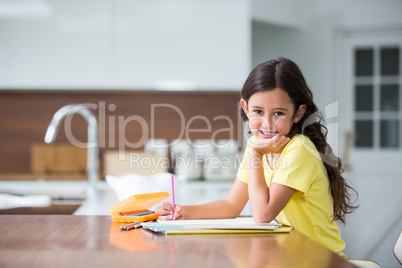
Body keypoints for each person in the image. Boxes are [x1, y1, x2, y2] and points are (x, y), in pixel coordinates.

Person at [155, 57, 357, 258]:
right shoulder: (257, 145)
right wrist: (183, 212)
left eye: (278, 113)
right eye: (258, 111)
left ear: (298, 113)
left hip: (320, 261)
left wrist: (254, 154)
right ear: (245, 108)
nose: (267, 124)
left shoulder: (299, 150)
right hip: (291, 258)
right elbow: (231, 206)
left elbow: (263, 215)